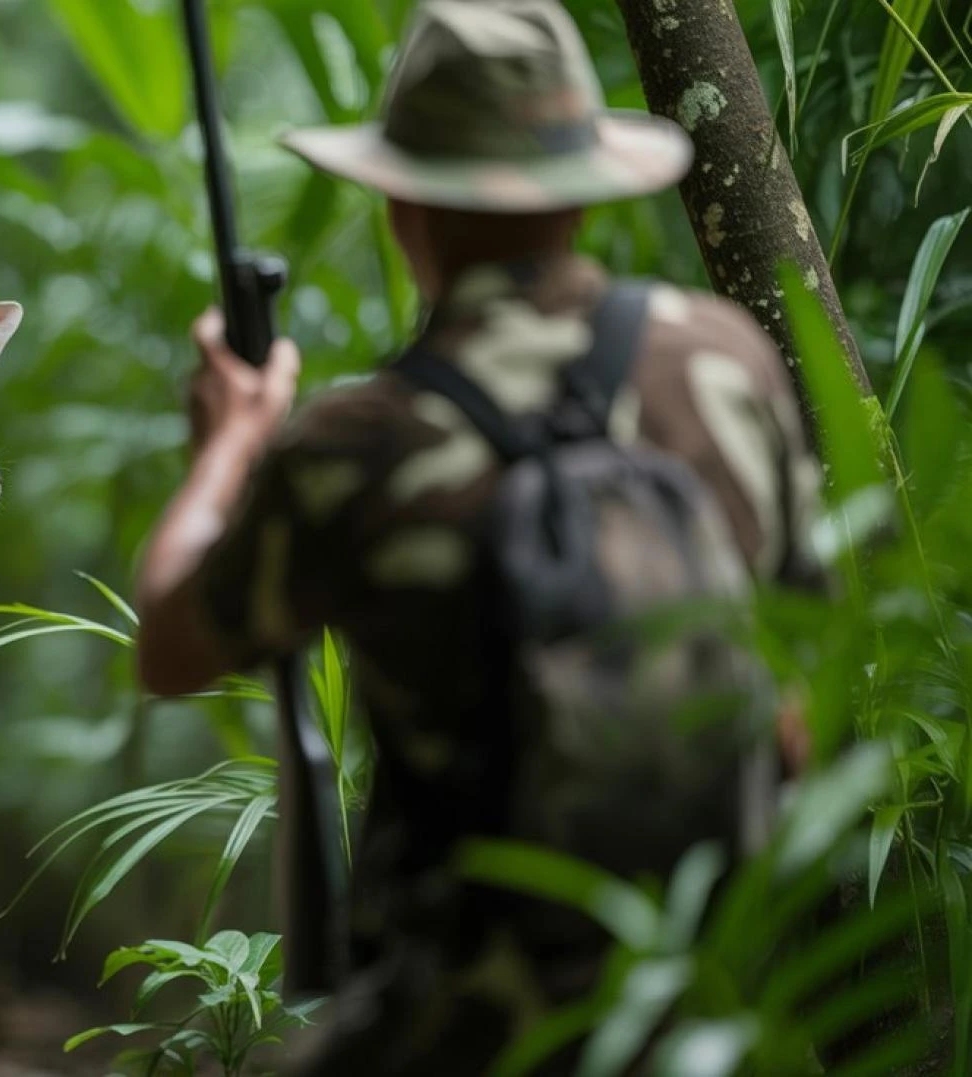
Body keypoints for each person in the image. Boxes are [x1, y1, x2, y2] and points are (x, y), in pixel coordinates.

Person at [132, 0, 824, 1072]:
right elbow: (800, 695)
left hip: (463, 1022)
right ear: (585, 188)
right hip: (708, 1006)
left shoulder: (358, 443)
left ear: (404, 202)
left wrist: (231, 445)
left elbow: (170, 647)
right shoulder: (724, 361)